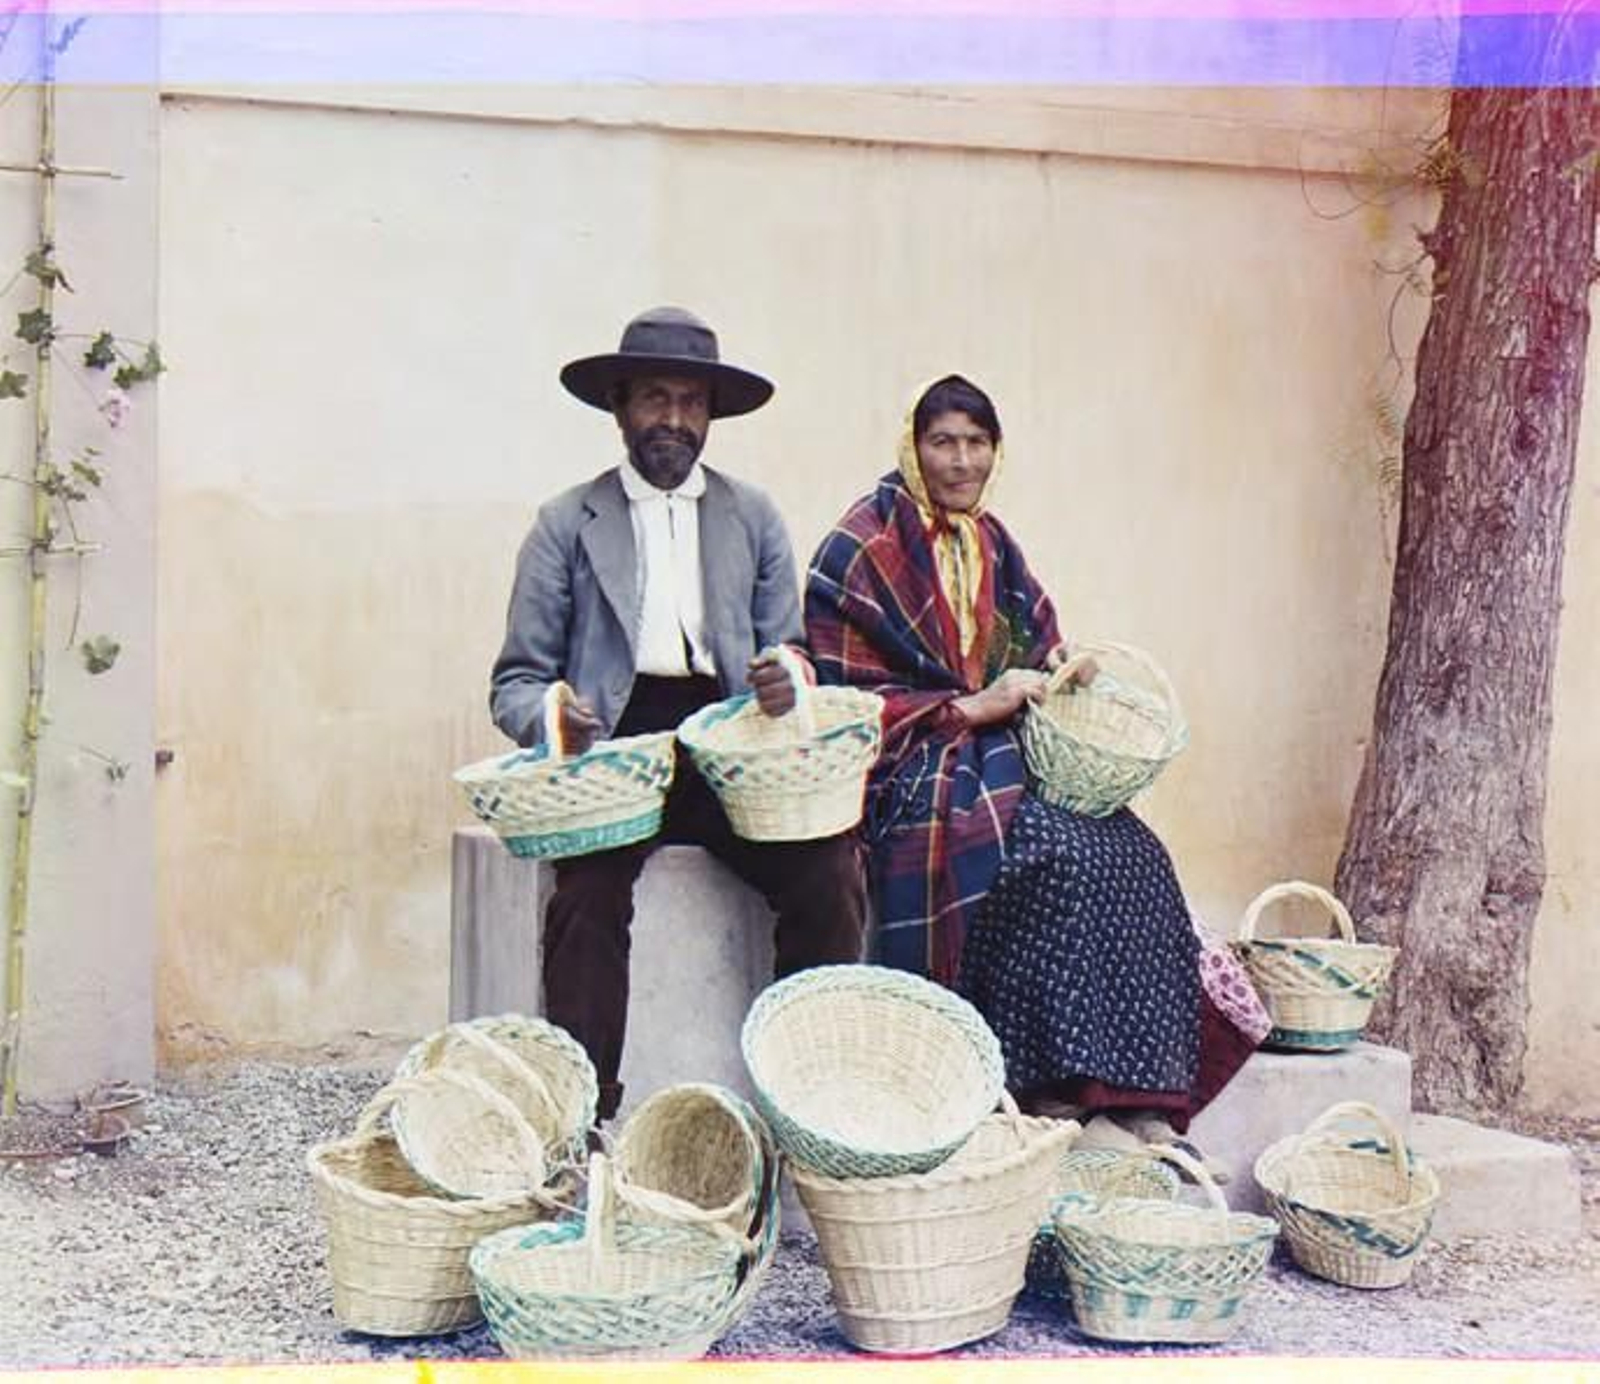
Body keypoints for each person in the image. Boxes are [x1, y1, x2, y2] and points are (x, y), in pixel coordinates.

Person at [804, 374, 1268, 1156]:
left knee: (1130, 851)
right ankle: (1041, 1084)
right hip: (913, 764)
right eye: (942, 441)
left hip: (999, 753)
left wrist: (1061, 670)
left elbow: (1037, 643)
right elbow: (840, 697)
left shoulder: (991, 542)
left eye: (976, 443)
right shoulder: (864, 544)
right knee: (1043, 851)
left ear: (996, 451)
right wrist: (964, 708)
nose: (960, 461)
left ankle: (1132, 1091)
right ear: (911, 447)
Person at [490, 306, 867, 1120]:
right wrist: (560, 716)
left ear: (711, 416)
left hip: (732, 746)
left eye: (691, 402)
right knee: (587, 894)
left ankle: (808, 1099)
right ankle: (586, 1116)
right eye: (655, 399)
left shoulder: (753, 517)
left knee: (828, 872)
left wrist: (785, 681)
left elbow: (796, 652)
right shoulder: (566, 523)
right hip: (618, 753)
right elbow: (516, 681)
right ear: (621, 406)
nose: (674, 419)